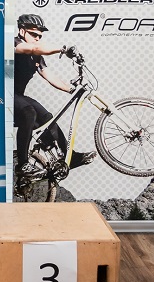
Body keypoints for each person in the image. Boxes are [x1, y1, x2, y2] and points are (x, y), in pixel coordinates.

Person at [13, 13, 96, 178]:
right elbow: (33, 48)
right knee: (29, 112)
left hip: (18, 97)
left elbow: (49, 75)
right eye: (34, 34)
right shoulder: (13, 43)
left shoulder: (36, 56)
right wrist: (63, 49)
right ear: (22, 31)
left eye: (40, 36)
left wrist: (71, 90)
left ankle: (69, 157)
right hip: (1, 95)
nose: (37, 38)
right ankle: (22, 164)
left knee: (47, 118)